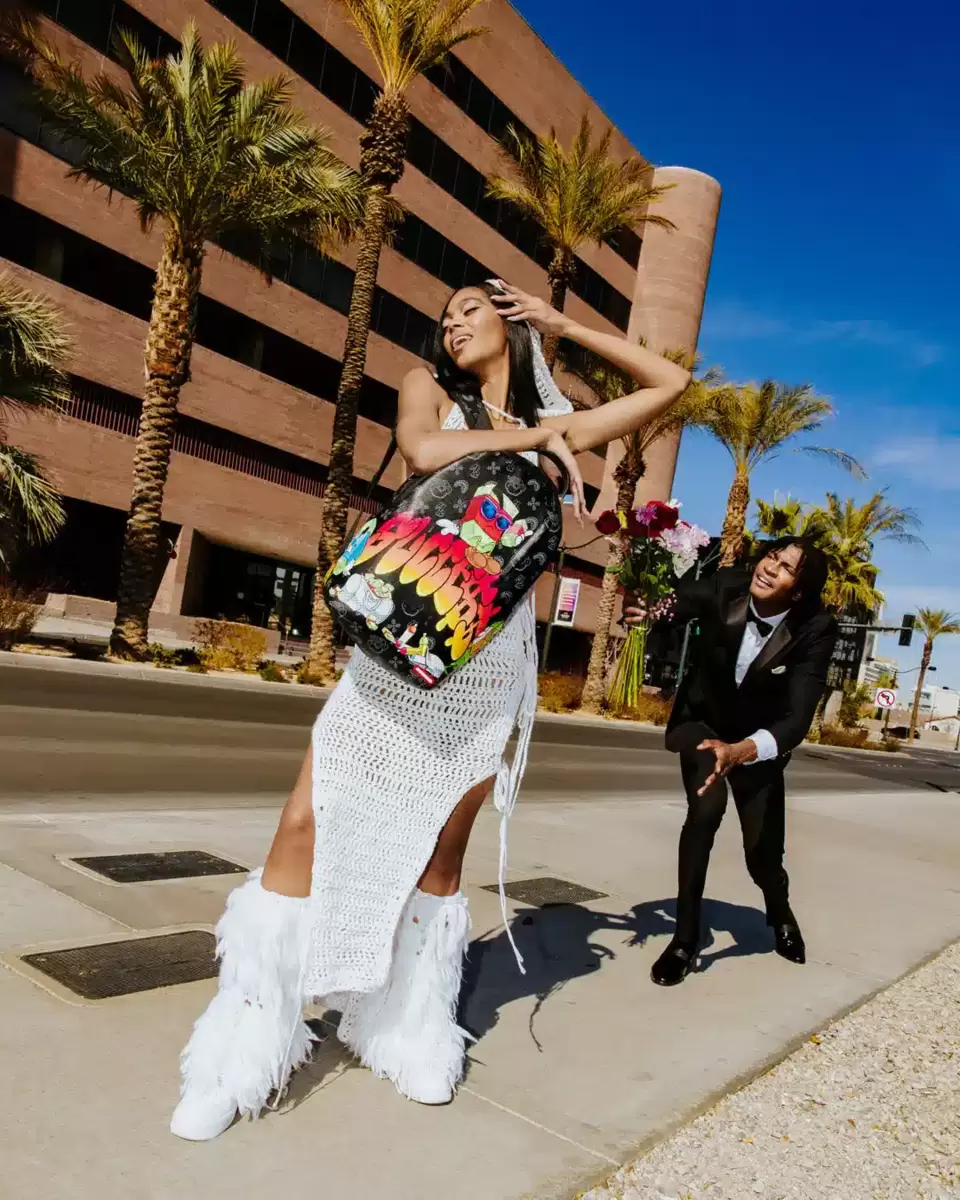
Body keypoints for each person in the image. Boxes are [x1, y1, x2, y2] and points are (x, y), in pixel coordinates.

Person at [171, 279, 690, 1140]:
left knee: (442, 850)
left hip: (491, 661)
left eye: (471, 310)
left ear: (511, 325)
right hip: (404, 639)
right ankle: (240, 1053)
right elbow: (419, 450)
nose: (452, 324)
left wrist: (561, 325)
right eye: (446, 316)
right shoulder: (431, 388)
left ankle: (403, 1028)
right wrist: (538, 439)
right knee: (306, 821)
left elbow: (669, 383)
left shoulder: (557, 417)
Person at [625, 537, 837, 986]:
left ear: (799, 590)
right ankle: (684, 940)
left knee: (762, 855)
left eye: (786, 568)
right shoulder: (727, 585)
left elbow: (796, 720)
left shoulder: (815, 628)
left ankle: (780, 913)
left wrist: (740, 751)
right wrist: (652, 611)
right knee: (706, 810)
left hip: (759, 743)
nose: (769, 568)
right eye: (771, 557)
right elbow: (679, 602)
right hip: (702, 724)